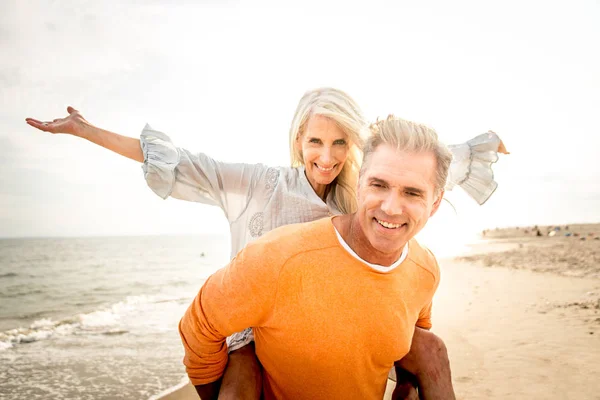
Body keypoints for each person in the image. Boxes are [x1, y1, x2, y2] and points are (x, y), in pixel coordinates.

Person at [25, 88, 506, 399]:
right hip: (257, 326)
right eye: (317, 141)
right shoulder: (261, 184)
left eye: (341, 144)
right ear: (298, 140)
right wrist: (86, 131)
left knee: (429, 351)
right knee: (239, 384)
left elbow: (430, 165)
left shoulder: (361, 191)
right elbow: (187, 165)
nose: (328, 156)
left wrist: (485, 143)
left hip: (333, 317)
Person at [179, 115, 452, 399]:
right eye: (379, 185)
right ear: (359, 183)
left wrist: (407, 385)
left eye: (412, 193)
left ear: (435, 203)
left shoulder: (425, 269)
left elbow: (411, 335)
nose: (391, 207)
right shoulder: (280, 257)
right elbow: (198, 326)